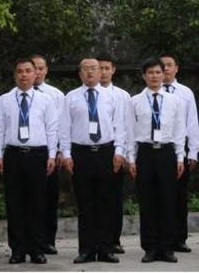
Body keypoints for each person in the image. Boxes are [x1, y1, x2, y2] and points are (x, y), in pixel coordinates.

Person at [60, 58, 128, 264]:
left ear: (100, 72)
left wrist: (119, 151)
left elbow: (120, 126)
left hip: (106, 152)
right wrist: (66, 154)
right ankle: (87, 249)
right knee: (85, 202)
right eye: (85, 69)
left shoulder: (112, 97)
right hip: (81, 153)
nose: (89, 72)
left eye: (93, 69)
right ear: (80, 73)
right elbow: (64, 128)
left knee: (106, 202)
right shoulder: (71, 97)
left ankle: (106, 248)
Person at [0, 57, 58, 264]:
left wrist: (52, 155)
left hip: (38, 155)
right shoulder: (4, 100)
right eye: (20, 71)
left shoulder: (45, 100)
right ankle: (18, 250)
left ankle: (37, 248)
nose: (24, 75)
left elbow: (52, 129)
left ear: (35, 73)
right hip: (13, 154)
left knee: (38, 203)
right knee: (15, 204)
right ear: (15, 75)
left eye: (28, 71)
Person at [127, 57, 186, 264]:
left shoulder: (174, 101)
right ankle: (150, 247)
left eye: (158, 72)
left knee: (168, 201)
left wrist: (180, 157)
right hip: (145, 153)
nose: (154, 76)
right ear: (144, 76)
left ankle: (167, 247)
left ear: (164, 74)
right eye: (150, 73)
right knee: (147, 201)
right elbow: (129, 131)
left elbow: (179, 130)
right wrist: (131, 158)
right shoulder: (134, 101)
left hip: (167, 153)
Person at [159, 52, 199, 254]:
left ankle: (179, 238)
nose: (166, 69)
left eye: (169, 65)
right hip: (159, 147)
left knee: (179, 196)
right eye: (162, 65)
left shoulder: (185, 93)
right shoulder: (149, 93)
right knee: (160, 196)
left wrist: (193, 152)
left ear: (176, 68)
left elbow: (192, 123)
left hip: (181, 149)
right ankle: (160, 238)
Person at [31, 55, 65, 255]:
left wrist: (59, 150)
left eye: (41, 68)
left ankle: (47, 241)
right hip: (27, 150)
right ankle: (28, 241)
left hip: (49, 152)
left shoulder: (56, 95)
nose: (37, 72)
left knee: (49, 198)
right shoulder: (14, 95)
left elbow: (61, 125)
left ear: (46, 70)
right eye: (33, 67)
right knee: (29, 198)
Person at [97, 53, 130, 254]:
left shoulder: (122, 96)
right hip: (94, 149)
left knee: (114, 198)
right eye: (99, 68)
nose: (103, 72)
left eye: (106, 68)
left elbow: (125, 126)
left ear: (113, 70)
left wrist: (123, 152)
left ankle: (113, 239)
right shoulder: (84, 94)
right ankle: (96, 240)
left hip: (115, 150)